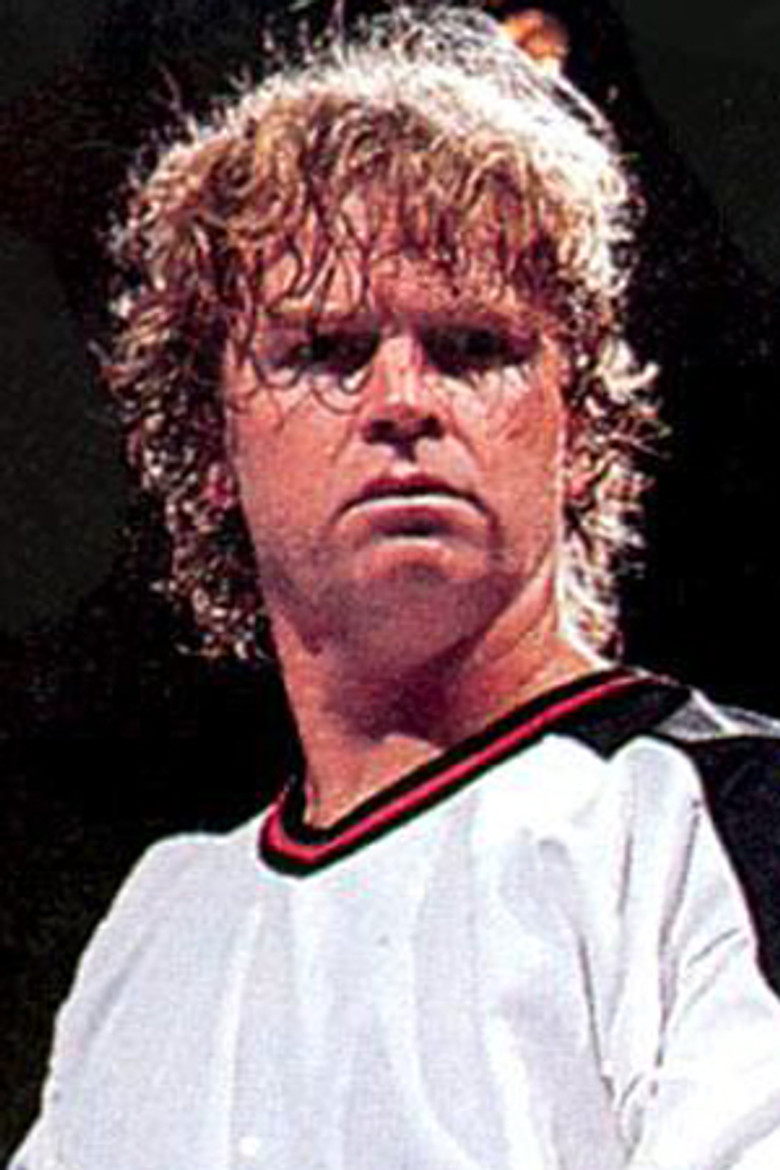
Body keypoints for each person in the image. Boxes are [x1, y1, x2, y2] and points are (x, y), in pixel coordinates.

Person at [11, 5, 780, 1168]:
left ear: (579, 426)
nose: (402, 401)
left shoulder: (714, 820)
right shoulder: (156, 932)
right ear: (211, 446)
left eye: (473, 348)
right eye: (326, 352)